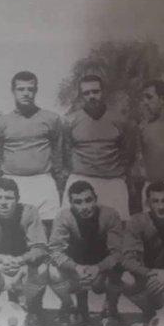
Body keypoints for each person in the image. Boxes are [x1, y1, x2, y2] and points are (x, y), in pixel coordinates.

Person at [0, 71, 63, 232]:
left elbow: (59, 156)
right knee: (13, 231)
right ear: (13, 91)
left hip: (43, 181)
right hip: (12, 182)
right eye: (21, 89)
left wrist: (59, 183)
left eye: (30, 89)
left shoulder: (52, 119)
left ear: (36, 91)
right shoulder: (1, 123)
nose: (26, 93)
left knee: (47, 228)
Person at [48, 180, 124, 326]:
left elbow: (118, 252)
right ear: (71, 204)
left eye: (88, 200)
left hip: (101, 271)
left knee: (120, 266)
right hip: (75, 270)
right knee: (52, 271)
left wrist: (99, 268)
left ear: (95, 199)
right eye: (78, 202)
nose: (84, 207)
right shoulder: (63, 217)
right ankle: (71, 306)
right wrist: (75, 267)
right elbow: (55, 250)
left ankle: (110, 309)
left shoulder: (110, 215)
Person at [0, 177, 48, 326]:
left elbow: (40, 247)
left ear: (17, 199)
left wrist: (21, 260)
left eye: (9, 198)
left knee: (43, 268)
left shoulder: (30, 212)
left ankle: (32, 307)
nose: (3, 202)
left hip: (23, 265)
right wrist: (0, 259)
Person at [62, 75, 137, 222]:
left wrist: (120, 173)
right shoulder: (70, 121)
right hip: (81, 178)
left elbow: (129, 151)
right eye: (86, 93)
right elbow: (64, 151)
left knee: (118, 225)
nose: (92, 96)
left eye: (95, 92)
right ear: (81, 95)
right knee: (73, 225)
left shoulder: (120, 120)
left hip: (112, 181)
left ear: (103, 92)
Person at [121, 182, 164, 326]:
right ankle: (149, 312)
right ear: (148, 203)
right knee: (125, 279)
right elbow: (127, 259)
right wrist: (150, 273)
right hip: (149, 277)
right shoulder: (137, 222)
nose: (161, 206)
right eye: (156, 201)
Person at [138, 80, 164, 211]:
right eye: (143, 98)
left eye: (149, 97)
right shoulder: (143, 128)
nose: (145, 102)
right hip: (150, 190)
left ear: (162, 99)